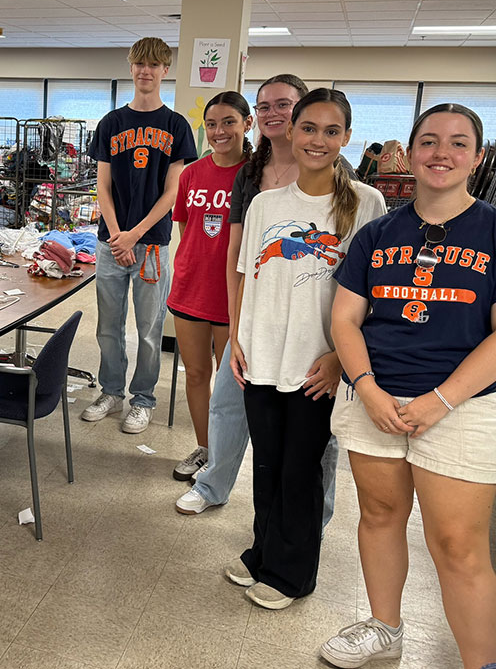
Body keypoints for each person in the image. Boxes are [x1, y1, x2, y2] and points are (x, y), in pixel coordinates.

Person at [320, 104, 496, 669]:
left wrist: (440, 400)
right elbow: (346, 321)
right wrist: (368, 389)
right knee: (378, 517)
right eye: (428, 141)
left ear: (475, 156)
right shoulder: (378, 234)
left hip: (460, 408)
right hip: (374, 401)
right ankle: (384, 627)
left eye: (456, 143)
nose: (440, 153)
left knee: (458, 547)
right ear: (410, 152)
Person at [226, 88, 386, 610]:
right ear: (290, 133)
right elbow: (247, 277)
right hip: (260, 354)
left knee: (301, 469)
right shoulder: (266, 203)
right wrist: (235, 337)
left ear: (345, 138)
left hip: (317, 363)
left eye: (331, 130)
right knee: (267, 464)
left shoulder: (367, 204)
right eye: (309, 128)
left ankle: (293, 575)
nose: (318, 140)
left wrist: (341, 358)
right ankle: (263, 552)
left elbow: (371, 298)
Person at [176, 75, 340, 522]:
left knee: (315, 429)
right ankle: (213, 484)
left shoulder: (342, 181)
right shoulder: (250, 173)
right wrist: (236, 323)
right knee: (228, 404)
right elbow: (236, 254)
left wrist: (340, 347)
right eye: (264, 106)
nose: (272, 114)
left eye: (283, 105)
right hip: (251, 317)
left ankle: (313, 518)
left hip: (315, 325)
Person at [80, 37, 196, 434]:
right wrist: (117, 236)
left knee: (149, 329)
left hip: (151, 246)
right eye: (139, 64)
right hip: (110, 242)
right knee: (108, 327)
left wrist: (135, 236)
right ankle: (111, 391)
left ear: (165, 70)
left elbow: (172, 192)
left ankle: (143, 399)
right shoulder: (111, 123)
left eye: (154, 65)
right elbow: (103, 187)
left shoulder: (176, 125)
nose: (145, 71)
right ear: (130, 68)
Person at [167, 91, 252, 480]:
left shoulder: (257, 176)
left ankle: (224, 456)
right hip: (190, 288)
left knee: (229, 381)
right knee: (196, 373)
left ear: (247, 124)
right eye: (212, 124)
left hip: (233, 294)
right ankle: (205, 448)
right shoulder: (192, 173)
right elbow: (187, 226)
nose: (219, 132)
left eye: (229, 122)